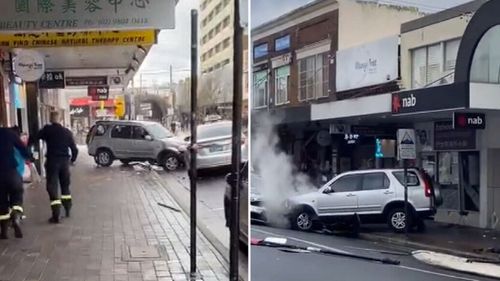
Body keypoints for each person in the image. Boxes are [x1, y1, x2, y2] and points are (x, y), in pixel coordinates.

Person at [37, 111, 78, 224]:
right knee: (65, 187)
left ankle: (56, 215)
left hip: (52, 162)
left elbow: (35, 136)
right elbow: (74, 149)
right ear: (60, 119)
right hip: (64, 163)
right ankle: (68, 209)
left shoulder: (47, 130)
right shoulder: (67, 132)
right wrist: (72, 160)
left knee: (52, 187)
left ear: (50, 119)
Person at [0, 126, 30, 239]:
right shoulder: (9, 133)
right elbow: (23, 148)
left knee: (2, 204)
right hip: (12, 172)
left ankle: (3, 232)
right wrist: (29, 157)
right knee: (17, 197)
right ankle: (16, 218)